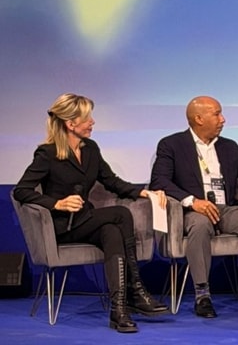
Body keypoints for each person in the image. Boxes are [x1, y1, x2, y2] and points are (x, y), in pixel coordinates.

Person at [14, 93, 169, 333]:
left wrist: (144, 192)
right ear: (70, 123)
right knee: (120, 214)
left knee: (112, 232)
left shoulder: (91, 149)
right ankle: (136, 290)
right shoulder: (47, 154)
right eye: (87, 118)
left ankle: (119, 310)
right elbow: (21, 191)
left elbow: (111, 181)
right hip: (63, 226)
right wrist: (57, 204)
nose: (92, 122)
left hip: (86, 221)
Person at [149, 96, 238, 320]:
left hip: (225, 209)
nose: (222, 119)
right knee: (200, 225)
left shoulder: (229, 147)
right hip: (192, 211)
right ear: (199, 119)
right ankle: (202, 295)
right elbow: (159, 181)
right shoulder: (171, 145)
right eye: (217, 114)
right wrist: (192, 201)